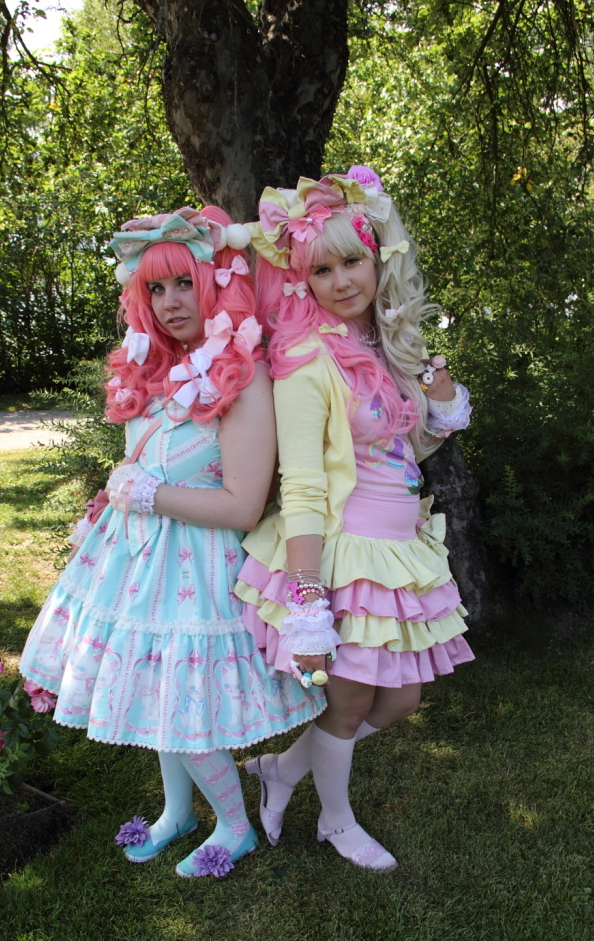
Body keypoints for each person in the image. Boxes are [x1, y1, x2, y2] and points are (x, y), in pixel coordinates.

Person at [20, 206, 325, 879]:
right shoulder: (161, 368)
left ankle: (235, 826)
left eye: (184, 283)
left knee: (180, 699)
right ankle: (177, 812)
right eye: (155, 288)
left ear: (216, 281)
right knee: (155, 688)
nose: (170, 302)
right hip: (136, 558)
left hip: (199, 569)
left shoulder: (244, 377)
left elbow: (243, 504)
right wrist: (118, 493)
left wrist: (147, 494)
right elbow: (151, 463)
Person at [235, 166, 474, 871]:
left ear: (377, 259)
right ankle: (336, 822)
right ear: (303, 279)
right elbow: (303, 483)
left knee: (401, 699)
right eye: (322, 269)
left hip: (398, 544)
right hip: (344, 550)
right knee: (346, 705)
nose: (341, 281)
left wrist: (437, 407)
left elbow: (403, 450)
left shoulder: (389, 344)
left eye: (351, 262)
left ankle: (282, 771)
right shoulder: (305, 360)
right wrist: (308, 599)